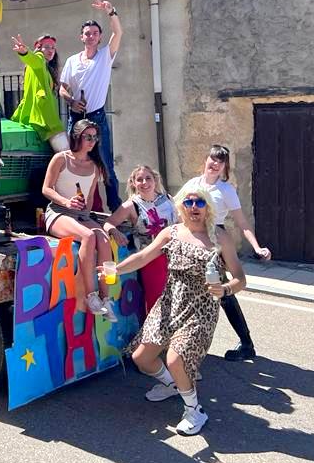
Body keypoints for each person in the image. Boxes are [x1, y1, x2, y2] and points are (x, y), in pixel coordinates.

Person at [115, 186, 247, 436]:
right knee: (141, 359)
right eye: (189, 202)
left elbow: (240, 278)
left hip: (201, 309)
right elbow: (143, 256)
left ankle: (194, 410)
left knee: (176, 359)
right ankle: (172, 385)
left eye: (200, 202)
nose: (195, 207)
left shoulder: (220, 237)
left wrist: (225, 290)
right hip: (169, 303)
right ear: (181, 207)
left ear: (208, 208)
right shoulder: (171, 233)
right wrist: (115, 270)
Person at [181, 144, 271, 362]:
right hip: (192, 236)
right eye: (212, 159)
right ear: (205, 160)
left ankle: (246, 343)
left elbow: (242, 222)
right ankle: (184, 341)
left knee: (221, 291)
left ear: (224, 167)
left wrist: (257, 247)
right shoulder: (192, 184)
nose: (215, 164)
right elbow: (178, 209)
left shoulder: (226, 190)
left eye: (220, 161)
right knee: (189, 289)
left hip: (214, 239)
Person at [41, 119, 117, 320]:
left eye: (94, 137)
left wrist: (85, 212)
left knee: (103, 240)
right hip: (58, 212)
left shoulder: (95, 166)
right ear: (77, 136)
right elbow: (46, 189)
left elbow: (90, 196)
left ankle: (105, 297)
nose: (92, 141)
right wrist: (66, 202)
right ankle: (91, 296)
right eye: (88, 137)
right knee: (88, 236)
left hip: (80, 215)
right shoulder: (61, 159)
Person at [58, 0, 123, 209]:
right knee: (74, 164)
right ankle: (76, 206)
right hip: (76, 119)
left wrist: (110, 11)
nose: (91, 36)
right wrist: (72, 101)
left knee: (105, 165)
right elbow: (62, 89)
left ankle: (115, 209)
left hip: (96, 117)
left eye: (95, 33)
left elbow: (118, 33)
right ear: (81, 37)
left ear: (100, 37)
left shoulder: (105, 56)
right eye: (87, 33)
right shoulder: (72, 61)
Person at [105, 164, 177, 314]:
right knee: (156, 302)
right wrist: (114, 231)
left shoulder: (168, 199)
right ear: (133, 183)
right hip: (151, 259)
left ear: (155, 180)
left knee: (177, 300)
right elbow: (108, 222)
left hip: (175, 256)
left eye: (148, 178)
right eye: (140, 179)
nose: (144, 183)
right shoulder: (131, 205)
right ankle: (156, 336)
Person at [10, 33, 69, 151]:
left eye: (53, 48)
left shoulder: (46, 68)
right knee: (66, 156)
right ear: (38, 47)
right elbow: (34, 59)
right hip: (45, 121)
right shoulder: (39, 58)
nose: (51, 50)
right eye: (47, 47)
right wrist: (24, 52)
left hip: (42, 121)